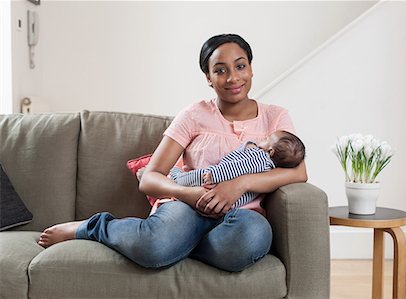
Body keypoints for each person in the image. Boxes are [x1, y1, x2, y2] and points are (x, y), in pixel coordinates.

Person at [37, 33, 308, 272]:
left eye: (240, 66)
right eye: (220, 70)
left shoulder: (275, 117)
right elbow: (150, 177)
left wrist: (240, 184)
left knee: (251, 239)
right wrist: (188, 194)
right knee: (154, 246)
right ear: (208, 78)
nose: (233, 77)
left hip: (241, 215)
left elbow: (299, 171)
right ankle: (93, 228)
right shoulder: (193, 114)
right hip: (186, 208)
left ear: (251, 69)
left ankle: (180, 247)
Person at [169, 130, 305, 209]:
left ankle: (176, 178)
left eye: (267, 139)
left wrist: (215, 174)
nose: (263, 138)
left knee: (195, 176)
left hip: (217, 180)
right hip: (232, 203)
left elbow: (236, 167)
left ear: (270, 151)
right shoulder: (269, 171)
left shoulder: (260, 158)